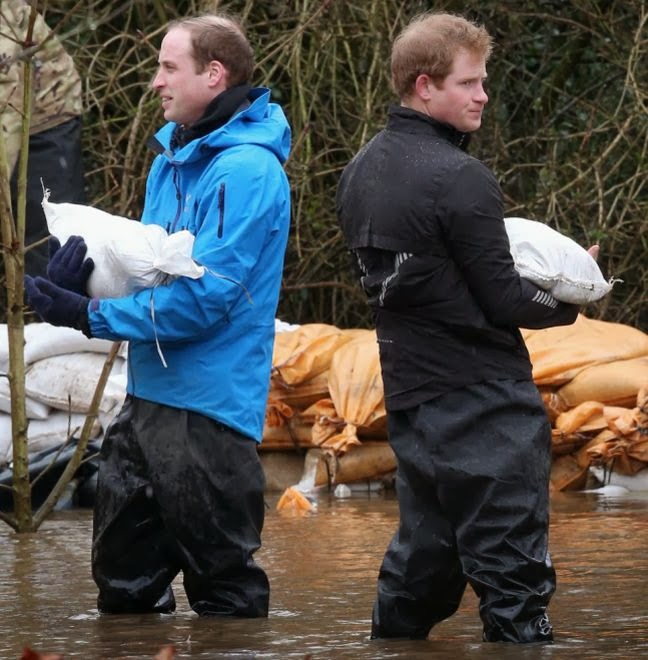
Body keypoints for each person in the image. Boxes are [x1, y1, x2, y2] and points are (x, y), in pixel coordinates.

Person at [336, 12, 598, 644]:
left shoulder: (359, 172)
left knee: (423, 561)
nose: (483, 95)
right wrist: (574, 294)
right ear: (424, 86)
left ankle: (390, 648)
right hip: (484, 400)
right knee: (514, 575)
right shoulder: (461, 177)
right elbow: (505, 297)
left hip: (411, 398)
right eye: (469, 83)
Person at [24, 13, 291, 617]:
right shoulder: (168, 161)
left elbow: (206, 298)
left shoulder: (246, 172)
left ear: (214, 75)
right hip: (147, 402)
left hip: (211, 414)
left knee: (225, 598)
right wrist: (84, 278)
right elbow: (152, 268)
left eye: (169, 67)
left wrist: (91, 314)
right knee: (121, 584)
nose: (155, 82)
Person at [0, 0, 86, 277]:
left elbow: (7, 104)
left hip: (44, 118)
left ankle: (51, 315)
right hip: (11, 109)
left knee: (48, 236)